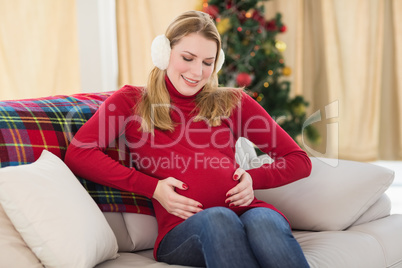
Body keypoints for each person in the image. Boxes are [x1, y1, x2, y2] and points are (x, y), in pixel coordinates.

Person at [65, 10, 312, 268]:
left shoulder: (233, 102)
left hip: (249, 211)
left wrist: (254, 178)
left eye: (208, 62)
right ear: (163, 53)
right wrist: (153, 188)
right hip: (183, 231)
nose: (197, 71)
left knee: (265, 223)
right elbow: (80, 153)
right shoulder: (130, 102)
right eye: (188, 58)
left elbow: (299, 160)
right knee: (219, 218)